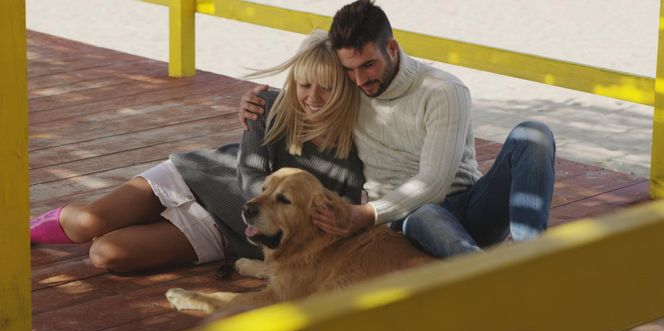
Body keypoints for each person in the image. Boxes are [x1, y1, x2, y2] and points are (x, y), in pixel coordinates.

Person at [239, 0, 556, 258]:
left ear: (391, 48)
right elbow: (313, 93)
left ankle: (532, 257)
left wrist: (365, 214)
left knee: (534, 134)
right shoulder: (351, 90)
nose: (360, 80)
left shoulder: (443, 91)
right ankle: (487, 274)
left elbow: (434, 184)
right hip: (407, 221)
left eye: (368, 65)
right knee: (425, 215)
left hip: (469, 205)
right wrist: (257, 102)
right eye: (349, 70)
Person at [30, 30, 365, 272]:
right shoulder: (267, 106)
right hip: (198, 177)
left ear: (346, 88)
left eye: (327, 87)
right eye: (305, 84)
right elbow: (250, 176)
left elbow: (342, 218)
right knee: (89, 223)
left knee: (106, 253)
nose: (312, 97)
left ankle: (144, 224)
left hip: (230, 231)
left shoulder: (360, 145)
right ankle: (21, 231)